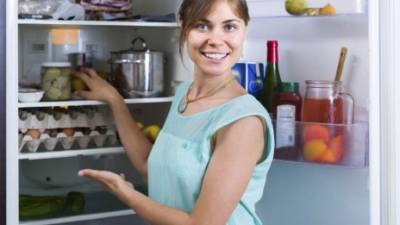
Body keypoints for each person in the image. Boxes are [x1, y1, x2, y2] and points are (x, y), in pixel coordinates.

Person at [76, 0, 274, 224]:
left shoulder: (244, 121)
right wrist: (115, 100)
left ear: (244, 30)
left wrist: (128, 195)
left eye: (229, 27)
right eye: (202, 25)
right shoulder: (184, 94)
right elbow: (149, 167)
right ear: (184, 28)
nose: (216, 40)